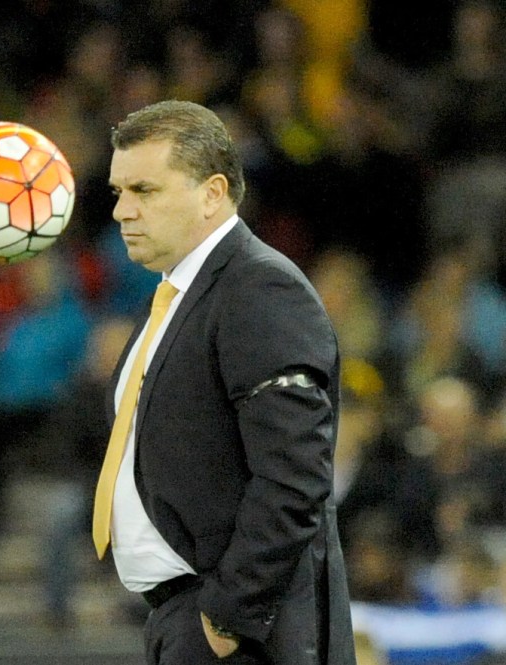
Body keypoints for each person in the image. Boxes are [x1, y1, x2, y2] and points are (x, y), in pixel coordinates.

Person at [93, 100, 354, 664]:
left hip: (236, 632)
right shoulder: (177, 297)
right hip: (186, 619)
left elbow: (295, 475)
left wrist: (228, 615)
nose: (121, 211)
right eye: (118, 191)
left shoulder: (258, 289)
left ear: (213, 193)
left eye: (144, 190)